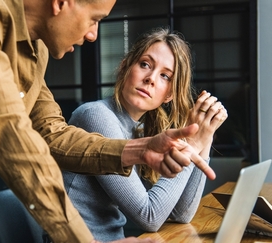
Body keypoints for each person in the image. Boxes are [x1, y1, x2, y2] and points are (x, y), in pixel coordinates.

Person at [0, 1, 216, 243]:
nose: (92, 35)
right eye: (94, 19)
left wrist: (140, 149)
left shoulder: (37, 51)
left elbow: (53, 134)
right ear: (61, 2)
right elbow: (16, 144)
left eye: (164, 76)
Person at [64, 27, 228, 242]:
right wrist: (192, 143)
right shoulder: (96, 116)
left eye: (164, 76)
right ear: (125, 67)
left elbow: (181, 214)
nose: (151, 78)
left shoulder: (139, 129)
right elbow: (149, 216)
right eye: (145, 64)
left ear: (169, 95)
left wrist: (204, 136)